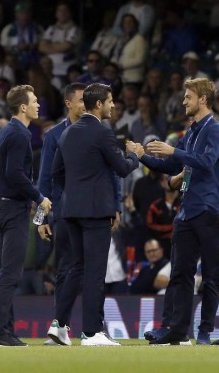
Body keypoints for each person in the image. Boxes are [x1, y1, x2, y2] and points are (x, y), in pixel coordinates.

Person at [137, 78, 219, 346]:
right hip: (187, 212)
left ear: (202, 99)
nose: (184, 101)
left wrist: (174, 150)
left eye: (188, 97)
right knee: (180, 272)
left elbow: (207, 162)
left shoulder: (216, 130)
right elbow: (172, 165)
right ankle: (178, 330)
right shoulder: (192, 132)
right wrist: (142, 155)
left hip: (208, 209)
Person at [49, 83, 139, 346]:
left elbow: (57, 172)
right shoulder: (102, 132)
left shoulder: (67, 133)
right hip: (96, 212)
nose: (113, 105)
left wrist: (74, 193)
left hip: (71, 211)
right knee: (95, 271)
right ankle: (90, 332)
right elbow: (122, 168)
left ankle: (59, 326)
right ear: (98, 104)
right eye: (110, 101)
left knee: (77, 267)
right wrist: (134, 155)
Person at [0, 85, 52, 347]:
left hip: (1, 207)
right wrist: (39, 197)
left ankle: (5, 330)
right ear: (23, 107)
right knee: (10, 273)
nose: (38, 105)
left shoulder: (3, 132)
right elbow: (15, 174)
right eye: (34, 101)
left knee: (7, 272)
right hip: (13, 210)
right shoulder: (19, 134)